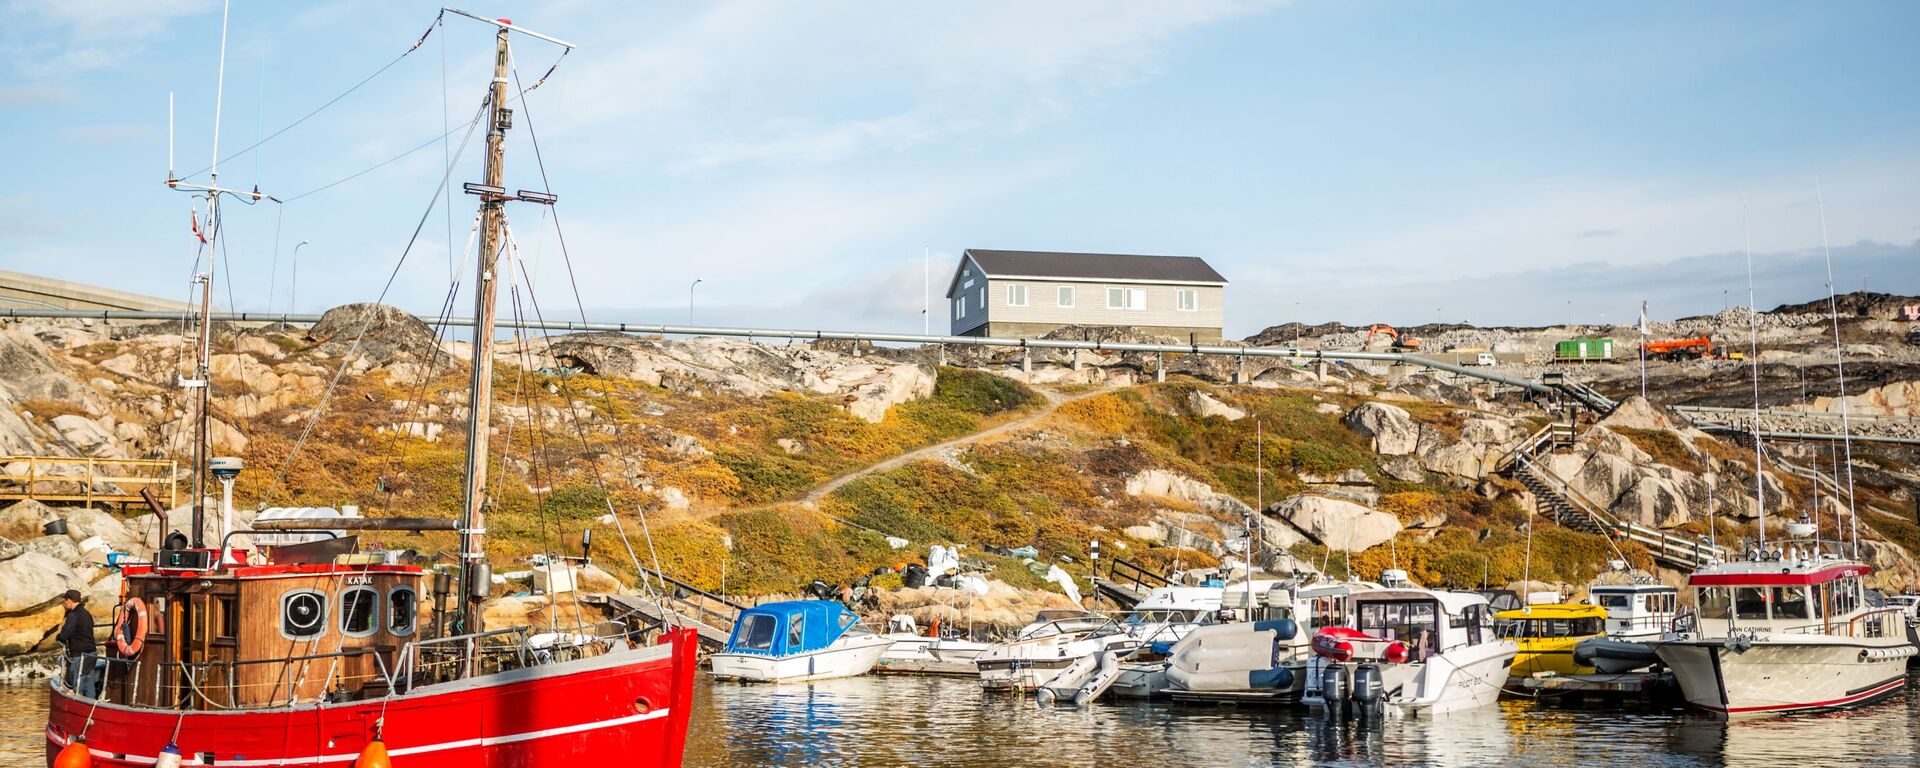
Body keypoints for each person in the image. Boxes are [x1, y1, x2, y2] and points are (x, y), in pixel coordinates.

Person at [56, 589, 98, 697]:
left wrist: (59, 637)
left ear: (69, 601)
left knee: (78, 685)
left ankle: (79, 706)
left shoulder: (74, 614)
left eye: (65, 601)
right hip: (92, 653)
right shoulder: (86, 613)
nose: (65, 604)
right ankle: (91, 704)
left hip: (80, 655)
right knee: (89, 684)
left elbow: (65, 634)